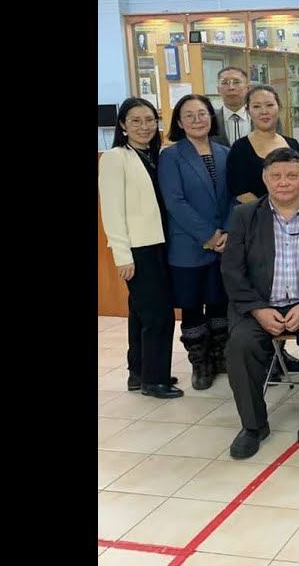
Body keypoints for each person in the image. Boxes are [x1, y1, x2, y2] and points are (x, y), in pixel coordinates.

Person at [221, 149, 299, 458]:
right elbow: (232, 270)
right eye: (276, 176)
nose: (284, 182)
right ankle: (253, 425)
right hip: (258, 304)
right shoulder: (244, 215)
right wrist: (258, 309)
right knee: (240, 345)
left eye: (291, 175)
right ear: (265, 179)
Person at [98, 98, 182, 399]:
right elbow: (112, 211)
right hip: (138, 249)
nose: (144, 126)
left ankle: (138, 372)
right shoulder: (115, 157)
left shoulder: (157, 156)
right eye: (135, 121)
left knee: (140, 312)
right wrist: (122, 256)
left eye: (149, 120)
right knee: (159, 315)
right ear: (123, 125)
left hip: (162, 244)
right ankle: (154, 381)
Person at [160, 95, 233, 391]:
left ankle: (220, 356)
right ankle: (200, 362)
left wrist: (226, 232)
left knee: (219, 302)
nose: (197, 120)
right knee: (192, 305)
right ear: (179, 122)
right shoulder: (171, 156)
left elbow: (234, 196)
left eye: (202, 113)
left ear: (211, 117)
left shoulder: (225, 152)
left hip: (224, 243)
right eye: (188, 115)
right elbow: (175, 202)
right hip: (188, 245)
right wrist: (209, 236)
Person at [226, 86, 299, 205]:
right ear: (248, 111)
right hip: (257, 213)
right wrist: (273, 211)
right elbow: (240, 192)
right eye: (256, 106)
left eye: (269, 105)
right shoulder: (240, 148)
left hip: (295, 210)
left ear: (279, 107)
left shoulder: (293, 144)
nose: (264, 112)